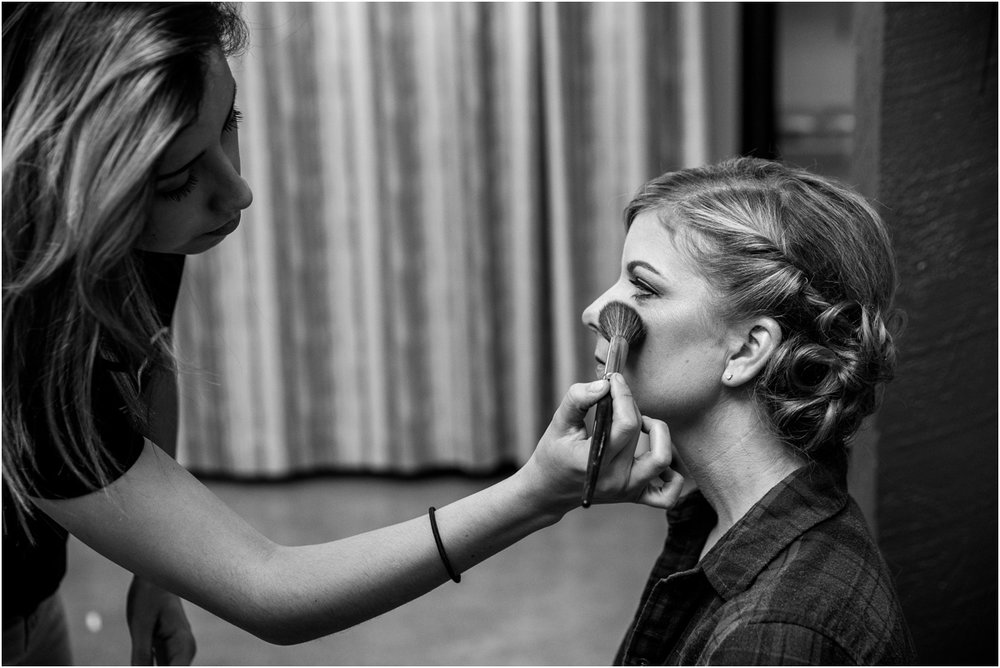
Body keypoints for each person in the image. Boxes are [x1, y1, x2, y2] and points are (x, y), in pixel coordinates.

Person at [2, 4, 683, 665]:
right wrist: (535, 492)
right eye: (181, 178)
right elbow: (268, 589)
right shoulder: (23, 348)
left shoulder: (134, 229)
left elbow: (145, 365)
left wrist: (160, 571)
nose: (235, 191)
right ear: (78, 197)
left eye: (228, 123)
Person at [580, 157, 917, 665]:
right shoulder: (717, 525)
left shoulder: (772, 636)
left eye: (643, 287)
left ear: (746, 350)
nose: (593, 312)